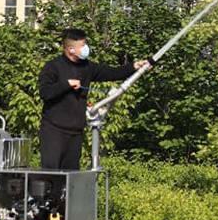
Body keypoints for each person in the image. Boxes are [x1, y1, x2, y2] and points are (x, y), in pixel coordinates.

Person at [38, 28, 150, 170]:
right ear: (71, 49)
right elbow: (45, 92)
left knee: (71, 176)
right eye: (82, 45)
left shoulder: (87, 66)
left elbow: (112, 72)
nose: (86, 48)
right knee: (51, 175)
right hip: (54, 132)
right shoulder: (53, 66)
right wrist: (66, 84)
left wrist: (134, 66)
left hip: (76, 132)